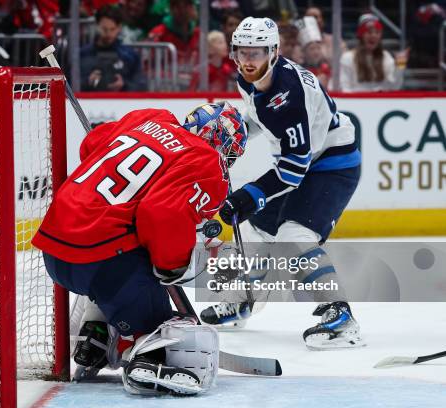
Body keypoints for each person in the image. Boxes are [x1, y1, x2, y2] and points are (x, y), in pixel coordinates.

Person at [32, 103, 248, 395]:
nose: (228, 161)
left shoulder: (149, 118)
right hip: (102, 262)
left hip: (54, 248)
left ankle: (94, 334)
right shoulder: (205, 159)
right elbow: (162, 215)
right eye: (231, 152)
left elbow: (91, 145)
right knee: (167, 326)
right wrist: (175, 266)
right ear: (220, 139)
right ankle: (142, 351)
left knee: (132, 235)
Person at [199, 17, 364, 350]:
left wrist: (248, 198)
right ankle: (245, 300)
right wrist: (235, 130)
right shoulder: (250, 78)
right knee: (251, 230)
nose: (247, 59)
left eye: (256, 52)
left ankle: (342, 318)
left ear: (273, 51)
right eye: (241, 51)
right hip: (306, 160)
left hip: (331, 164)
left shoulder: (290, 93)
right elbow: (262, 119)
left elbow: (293, 170)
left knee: (293, 237)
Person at [80, 5, 146, 91]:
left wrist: (124, 85)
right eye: (104, 29)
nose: (108, 33)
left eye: (112, 29)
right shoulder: (82, 55)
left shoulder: (130, 56)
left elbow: (141, 85)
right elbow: (68, 84)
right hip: (87, 102)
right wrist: (87, 82)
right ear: (96, 25)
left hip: (122, 102)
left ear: (119, 28)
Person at [339, 13, 409, 92]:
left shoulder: (386, 56)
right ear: (361, 35)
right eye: (369, 32)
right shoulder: (348, 58)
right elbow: (345, 88)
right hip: (357, 102)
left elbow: (394, 87)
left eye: (377, 32)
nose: (373, 36)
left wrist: (400, 65)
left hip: (380, 102)